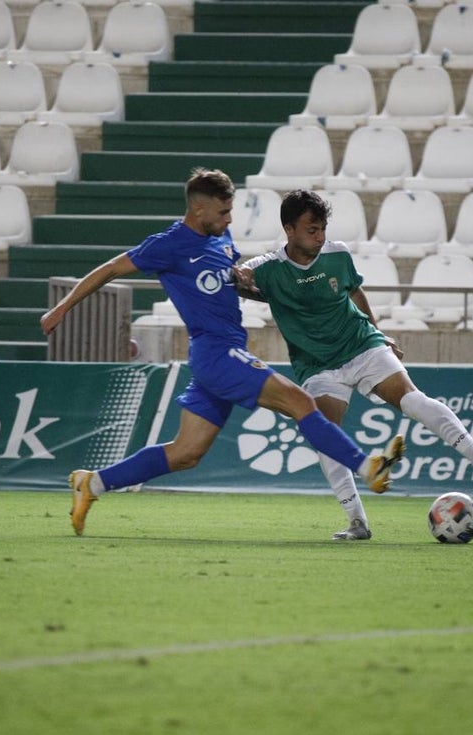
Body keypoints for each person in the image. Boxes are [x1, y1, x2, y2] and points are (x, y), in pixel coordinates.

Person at [40, 169, 405, 536]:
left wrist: (241, 278)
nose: (230, 219)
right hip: (217, 352)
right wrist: (62, 308)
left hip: (223, 353)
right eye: (223, 212)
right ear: (199, 211)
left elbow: (226, 277)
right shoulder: (168, 245)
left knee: (186, 452)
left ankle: (93, 484)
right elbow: (110, 269)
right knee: (301, 402)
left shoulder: (220, 236)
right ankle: (367, 468)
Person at [235, 189, 473, 541]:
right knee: (325, 435)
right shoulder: (268, 268)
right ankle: (357, 522)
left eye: (322, 229)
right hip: (317, 365)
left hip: (360, 344)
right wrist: (235, 277)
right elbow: (239, 277)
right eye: (311, 230)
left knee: (411, 399)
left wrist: (379, 332)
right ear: (289, 229)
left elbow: (354, 291)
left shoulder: (337, 254)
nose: (320, 237)